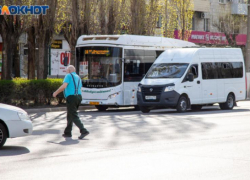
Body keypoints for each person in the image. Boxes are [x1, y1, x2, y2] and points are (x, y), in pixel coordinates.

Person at [53, 65, 89, 139]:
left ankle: (83, 130)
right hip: (78, 96)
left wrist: (55, 93)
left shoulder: (68, 76)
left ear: (69, 70)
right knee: (70, 114)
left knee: (73, 114)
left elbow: (64, 86)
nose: (66, 71)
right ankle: (68, 132)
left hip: (71, 97)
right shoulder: (78, 77)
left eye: (67, 70)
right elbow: (80, 88)